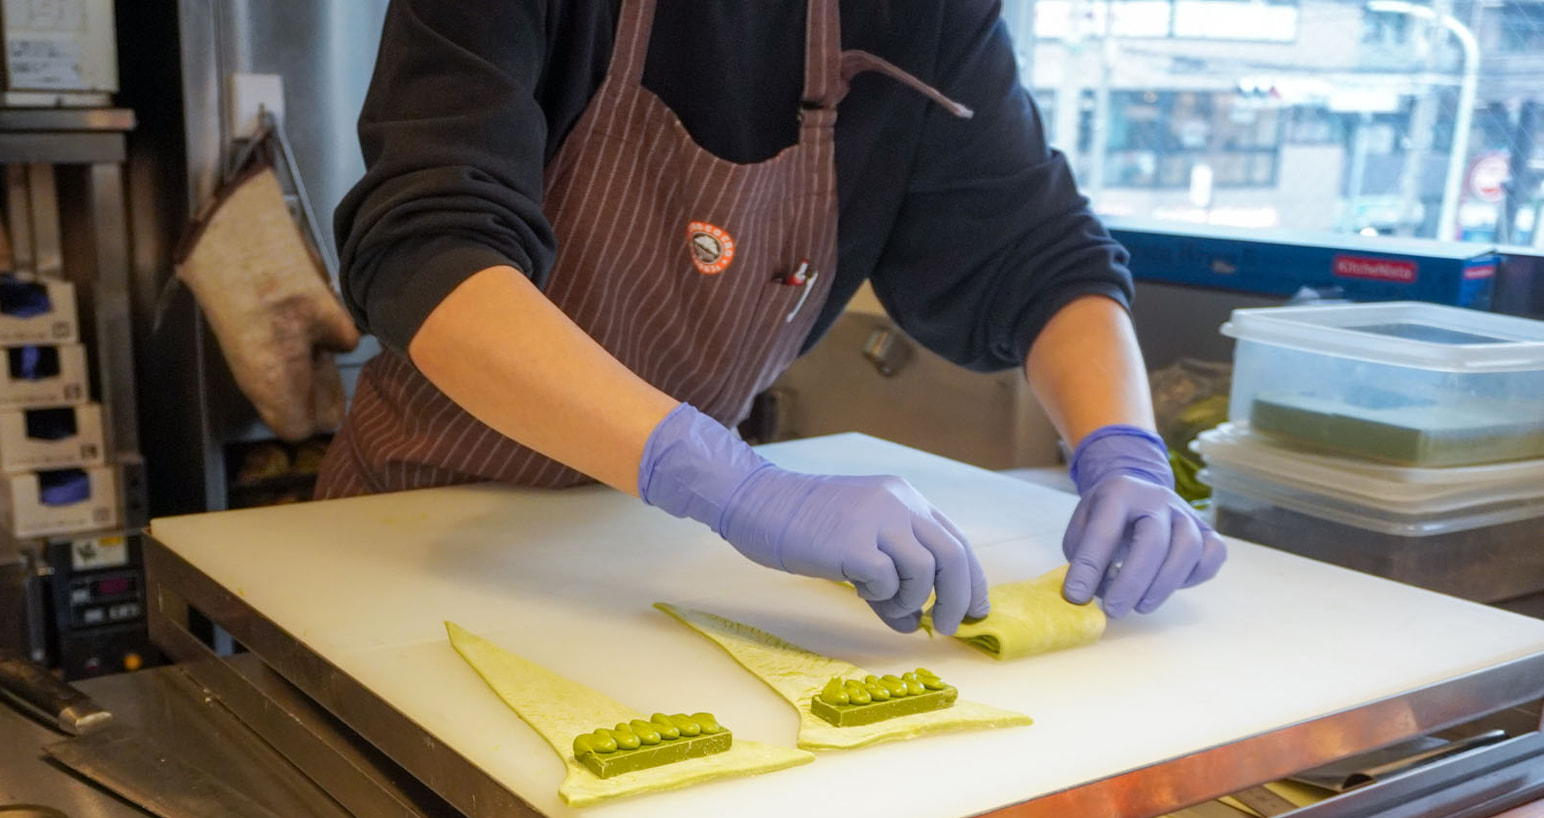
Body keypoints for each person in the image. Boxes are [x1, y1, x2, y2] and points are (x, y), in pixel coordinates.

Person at [322, 0, 1226, 632]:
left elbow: (1041, 254)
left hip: (659, 557)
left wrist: (1124, 452)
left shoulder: (928, 14)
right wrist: (729, 483)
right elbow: (428, 249)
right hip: (423, 530)